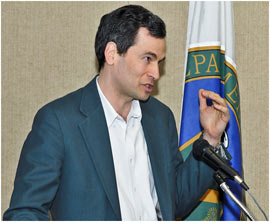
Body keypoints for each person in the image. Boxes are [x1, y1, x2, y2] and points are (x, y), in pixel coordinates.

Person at [3, 5, 230, 221]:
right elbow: (26, 211)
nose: (156, 73)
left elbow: (175, 201)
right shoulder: (59, 122)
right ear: (112, 53)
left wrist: (210, 137)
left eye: (159, 62)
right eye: (147, 59)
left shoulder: (160, 119)